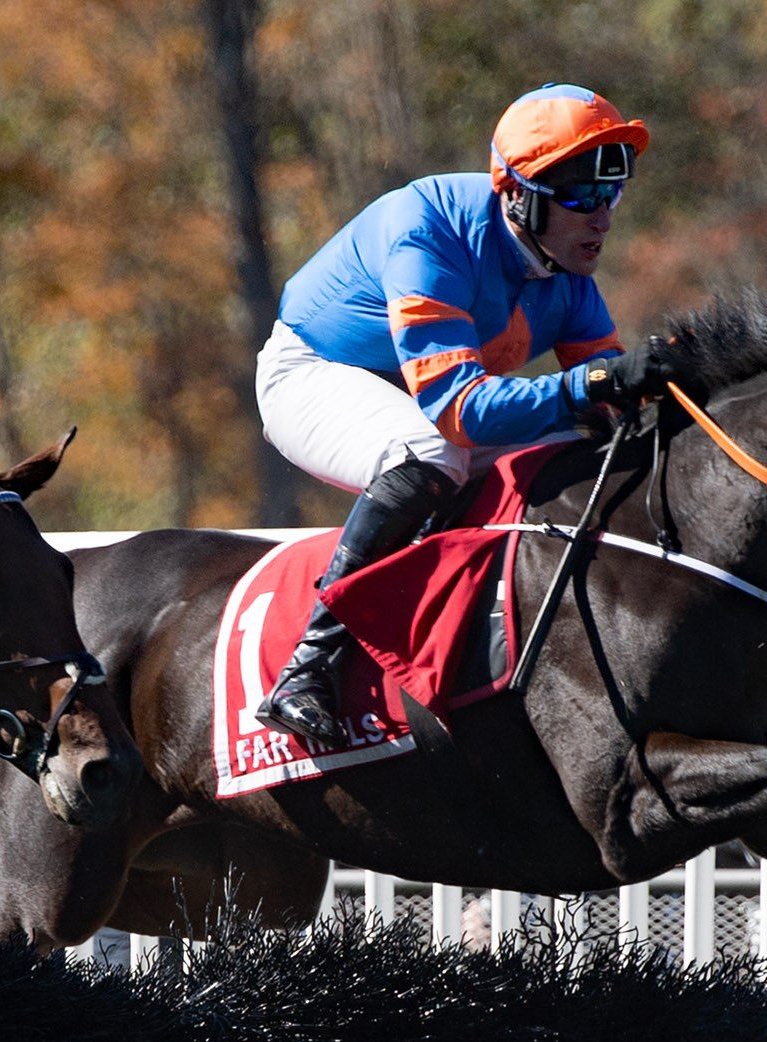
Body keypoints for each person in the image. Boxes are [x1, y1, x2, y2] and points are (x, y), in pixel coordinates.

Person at [253, 83, 701, 747]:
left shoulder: (567, 270)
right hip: (315, 374)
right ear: (518, 193)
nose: (602, 216)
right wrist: (598, 380)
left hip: (424, 399)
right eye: (581, 196)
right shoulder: (427, 229)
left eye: (613, 193)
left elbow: (609, 410)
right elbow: (458, 412)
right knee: (432, 454)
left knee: (583, 454)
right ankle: (305, 666)